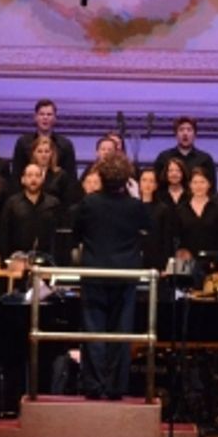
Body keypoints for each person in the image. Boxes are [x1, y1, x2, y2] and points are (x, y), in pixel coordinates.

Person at [72, 153, 152, 399]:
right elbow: (148, 228)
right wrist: (138, 197)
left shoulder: (88, 203)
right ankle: (117, 387)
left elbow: (76, 235)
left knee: (94, 332)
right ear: (127, 179)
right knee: (121, 332)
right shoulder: (135, 206)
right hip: (125, 275)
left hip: (94, 273)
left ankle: (94, 386)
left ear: (101, 177)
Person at [0, 163, 62, 258]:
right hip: (18, 258)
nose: (33, 179)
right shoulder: (12, 203)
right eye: (29, 175)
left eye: (37, 175)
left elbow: (59, 235)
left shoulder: (53, 203)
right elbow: (4, 234)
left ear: (42, 179)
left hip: (47, 258)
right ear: (22, 180)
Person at [171, 167, 218, 262]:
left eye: (202, 182)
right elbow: (175, 238)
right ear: (190, 185)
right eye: (195, 182)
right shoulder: (180, 210)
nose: (199, 186)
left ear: (209, 184)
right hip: (186, 263)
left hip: (213, 261)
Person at [11, 99, 77, 181]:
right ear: (35, 117)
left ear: (55, 118)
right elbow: (16, 175)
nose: (45, 117)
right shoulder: (23, 143)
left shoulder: (65, 145)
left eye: (49, 114)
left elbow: (71, 177)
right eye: (41, 114)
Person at [153, 116, 215, 184]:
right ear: (176, 134)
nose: (185, 133)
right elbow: (156, 184)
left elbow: (212, 188)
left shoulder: (205, 159)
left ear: (195, 135)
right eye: (181, 130)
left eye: (189, 130)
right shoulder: (164, 157)